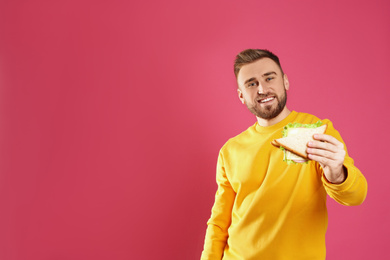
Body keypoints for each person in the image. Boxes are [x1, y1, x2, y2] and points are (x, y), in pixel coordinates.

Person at [200, 49, 367, 260]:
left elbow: (356, 196)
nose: (262, 88)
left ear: (285, 82)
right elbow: (219, 221)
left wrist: (336, 172)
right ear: (241, 95)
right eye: (251, 83)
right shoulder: (230, 150)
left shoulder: (317, 131)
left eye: (269, 78)